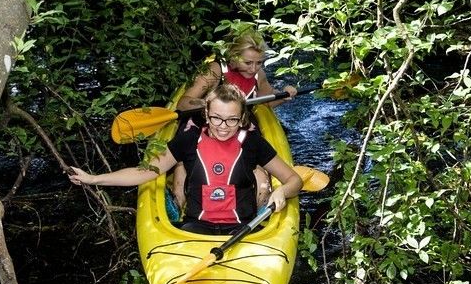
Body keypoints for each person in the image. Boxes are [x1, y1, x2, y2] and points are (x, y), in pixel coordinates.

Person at [68, 83, 302, 235]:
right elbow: (144, 172)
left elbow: (294, 180)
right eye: (216, 118)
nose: (223, 127)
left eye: (231, 120)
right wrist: (94, 178)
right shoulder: (188, 140)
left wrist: (282, 191)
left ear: (242, 118)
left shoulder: (252, 143)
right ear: (206, 115)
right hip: (194, 229)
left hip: (243, 229)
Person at [172, 28, 298, 210]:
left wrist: (283, 96)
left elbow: (267, 104)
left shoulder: (258, 75)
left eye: (259, 63)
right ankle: (178, 202)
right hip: (206, 122)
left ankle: (263, 204)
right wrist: (210, 104)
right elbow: (183, 103)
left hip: (237, 123)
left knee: (254, 159)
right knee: (184, 159)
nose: (254, 68)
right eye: (248, 62)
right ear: (234, 56)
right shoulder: (216, 70)